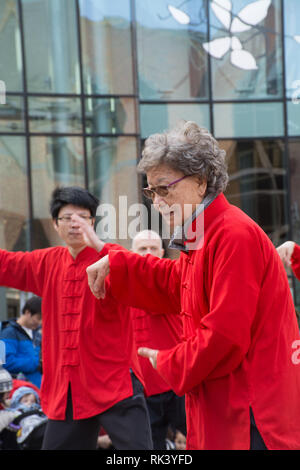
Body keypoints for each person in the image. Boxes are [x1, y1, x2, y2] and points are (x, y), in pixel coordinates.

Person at [86, 121, 300, 450]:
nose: (156, 201)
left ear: (201, 183)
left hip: (251, 413)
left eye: (164, 188)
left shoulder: (232, 234)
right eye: (151, 191)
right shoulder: (205, 232)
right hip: (229, 405)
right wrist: (118, 263)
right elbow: (177, 283)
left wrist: (170, 361)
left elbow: (226, 333)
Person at [0, 186, 152, 450]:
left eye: (82, 217)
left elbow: (134, 271)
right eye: (67, 218)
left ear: (93, 222)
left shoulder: (110, 258)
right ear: (55, 225)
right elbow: (7, 265)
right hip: (68, 390)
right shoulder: (47, 261)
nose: (74, 224)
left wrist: (101, 247)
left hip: (114, 383)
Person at [131, 230, 186, 449]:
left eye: (153, 248)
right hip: (142, 386)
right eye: (142, 249)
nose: (148, 253)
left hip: (177, 381)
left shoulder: (171, 279)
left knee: (202, 439)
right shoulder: (122, 284)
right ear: (132, 254)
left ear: (162, 253)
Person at [0, 296, 42, 388]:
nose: (40, 322)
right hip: (21, 392)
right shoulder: (8, 332)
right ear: (27, 312)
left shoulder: (38, 334)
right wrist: (36, 363)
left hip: (38, 389)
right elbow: (6, 362)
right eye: (38, 318)